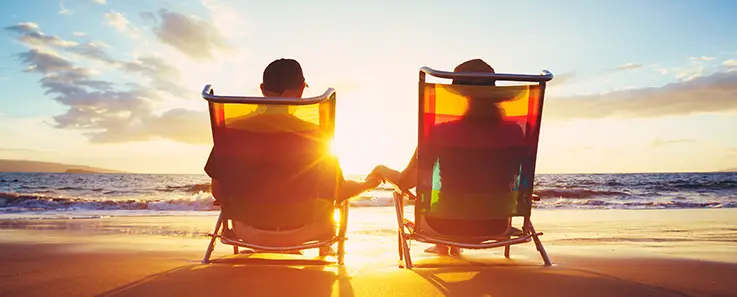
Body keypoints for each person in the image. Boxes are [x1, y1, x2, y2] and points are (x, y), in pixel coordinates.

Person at [204, 58, 381, 253]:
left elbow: (218, 193)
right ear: (300, 90)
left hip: (246, 232)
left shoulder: (232, 131)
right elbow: (338, 192)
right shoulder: (316, 135)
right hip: (307, 232)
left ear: (262, 88)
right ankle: (320, 250)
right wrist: (368, 183)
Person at [372, 59, 525, 256]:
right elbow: (512, 178)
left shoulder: (441, 132)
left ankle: (445, 244)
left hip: (443, 225)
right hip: (496, 224)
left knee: (448, 203)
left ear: (462, 96)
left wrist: (381, 170)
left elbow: (405, 182)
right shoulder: (514, 132)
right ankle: (449, 245)